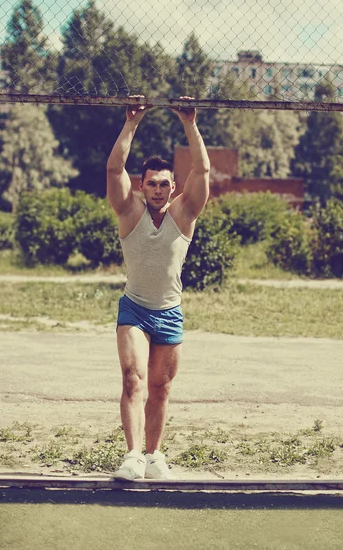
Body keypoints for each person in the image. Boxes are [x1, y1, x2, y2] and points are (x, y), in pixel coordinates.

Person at [106, 95, 210, 480]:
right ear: (142, 185)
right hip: (134, 308)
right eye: (151, 183)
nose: (158, 189)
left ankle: (153, 456)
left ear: (172, 187)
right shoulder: (129, 210)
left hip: (169, 312)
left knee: (161, 388)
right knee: (133, 379)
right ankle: (132, 455)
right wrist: (131, 123)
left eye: (165, 184)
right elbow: (114, 166)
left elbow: (203, 168)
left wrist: (190, 122)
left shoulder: (184, 213)